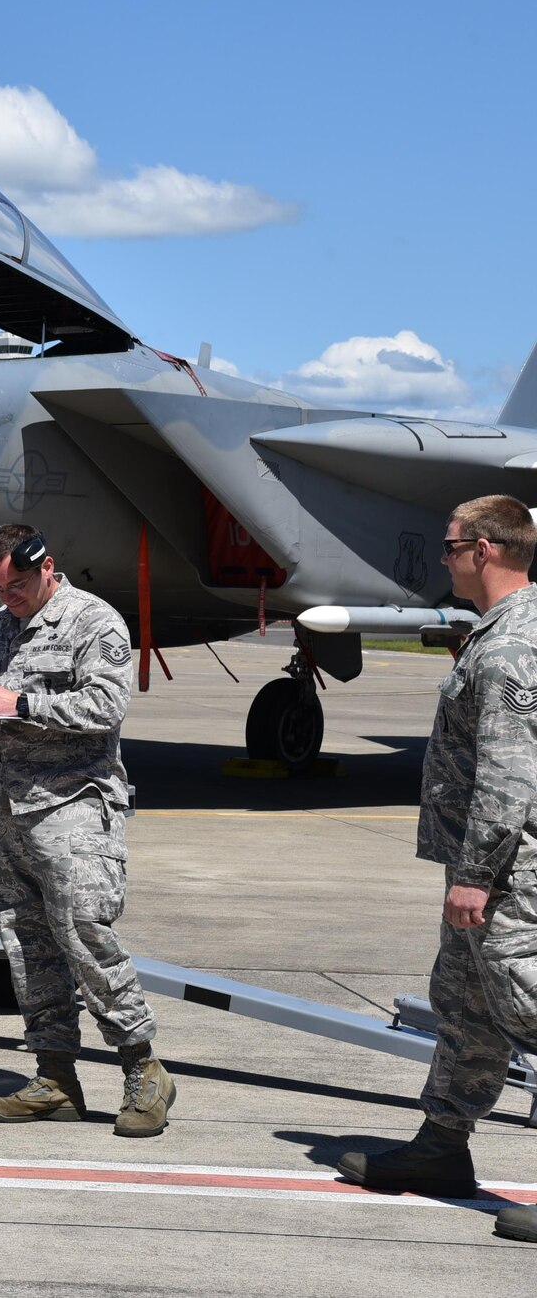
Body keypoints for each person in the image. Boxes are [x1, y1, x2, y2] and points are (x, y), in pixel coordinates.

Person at [340, 496, 537, 1244]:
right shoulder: (496, 633)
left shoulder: (515, 643)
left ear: (483, 550)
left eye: (450, 545)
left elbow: (508, 774)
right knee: (464, 1005)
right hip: (481, 863)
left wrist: (478, 872)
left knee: (528, 1005)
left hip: (510, 871)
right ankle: (441, 1146)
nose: (444, 556)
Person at [0, 524, 175, 1136]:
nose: (9, 597)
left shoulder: (94, 622)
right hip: (11, 808)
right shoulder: (1, 627)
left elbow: (106, 706)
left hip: (74, 806)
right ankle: (55, 1075)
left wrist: (20, 707)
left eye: (19, 585)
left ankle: (143, 1070)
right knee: (28, 949)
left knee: (85, 936)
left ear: (48, 567)